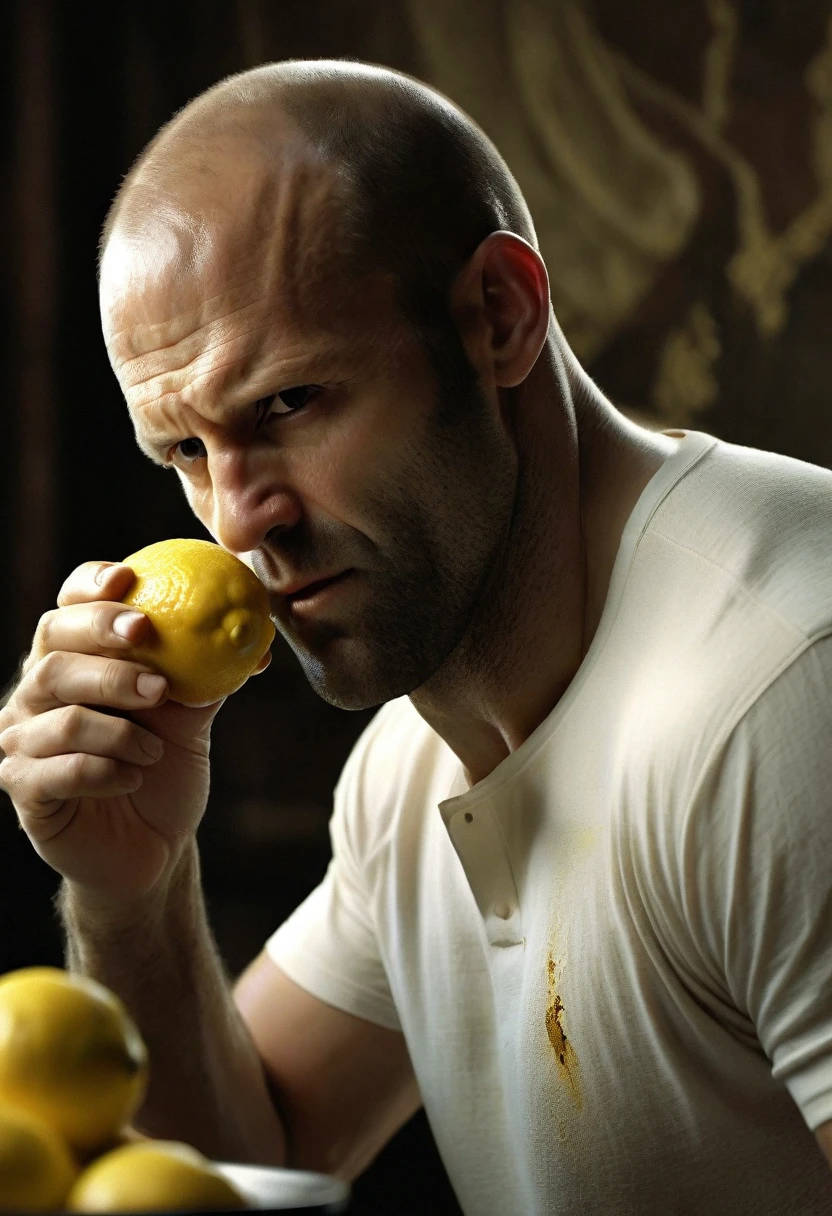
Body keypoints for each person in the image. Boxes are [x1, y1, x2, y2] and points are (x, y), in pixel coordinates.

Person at [1, 58, 832, 1214]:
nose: (241, 527)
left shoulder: (789, 688)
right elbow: (244, 1161)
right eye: (185, 454)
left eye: (287, 405)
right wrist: (130, 889)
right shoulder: (410, 764)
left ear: (498, 316)